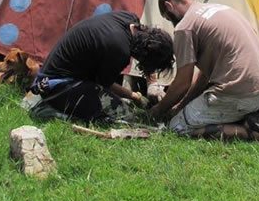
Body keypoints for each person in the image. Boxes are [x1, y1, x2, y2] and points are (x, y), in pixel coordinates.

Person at [152, 0, 259, 147]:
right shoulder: (221, 9)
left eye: (168, 18)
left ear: (169, 6)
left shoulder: (185, 27)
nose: (172, 23)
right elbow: (205, 75)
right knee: (197, 108)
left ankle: (248, 130)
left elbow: (182, 83)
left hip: (238, 94)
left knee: (176, 126)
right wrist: (183, 105)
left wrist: (158, 110)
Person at [30, 10, 174, 123]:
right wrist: (134, 96)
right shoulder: (119, 50)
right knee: (124, 115)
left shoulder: (129, 19)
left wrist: (152, 84)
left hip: (60, 74)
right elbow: (103, 86)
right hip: (57, 87)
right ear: (145, 57)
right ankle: (49, 110)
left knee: (117, 104)